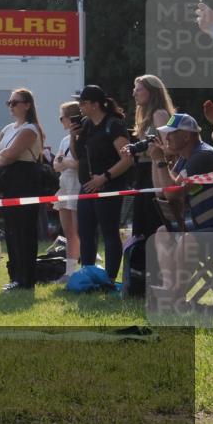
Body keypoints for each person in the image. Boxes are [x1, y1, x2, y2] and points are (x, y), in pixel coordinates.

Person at [150, 113, 213, 297]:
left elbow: (172, 193)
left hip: (211, 226)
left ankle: (175, 295)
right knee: (163, 233)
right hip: (203, 225)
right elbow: (161, 191)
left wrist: (161, 161)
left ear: (186, 136)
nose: (166, 138)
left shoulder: (203, 156)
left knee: (188, 240)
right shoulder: (185, 158)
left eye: (171, 133)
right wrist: (157, 160)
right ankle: (170, 288)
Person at [72, 85, 133, 280]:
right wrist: (73, 136)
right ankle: (88, 275)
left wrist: (104, 177)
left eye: (83, 103)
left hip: (108, 187)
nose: (80, 106)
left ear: (95, 105)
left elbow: (127, 159)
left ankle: (110, 279)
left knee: (109, 232)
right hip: (87, 187)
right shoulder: (86, 124)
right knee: (85, 232)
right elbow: (77, 155)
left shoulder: (113, 125)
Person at [0, 89, 45, 291]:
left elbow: (10, 155)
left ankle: (26, 279)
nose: (11, 106)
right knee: (11, 231)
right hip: (8, 182)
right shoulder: (7, 128)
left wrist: (2, 157)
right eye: (9, 103)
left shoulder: (31, 129)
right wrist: (1, 157)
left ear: (27, 105)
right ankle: (15, 277)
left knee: (24, 231)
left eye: (15, 102)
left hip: (25, 181)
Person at [124, 76, 175, 247]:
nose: (134, 94)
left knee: (151, 224)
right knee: (141, 227)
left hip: (155, 173)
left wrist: (149, 151)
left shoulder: (159, 114)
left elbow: (170, 148)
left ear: (152, 92)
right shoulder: (145, 117)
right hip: (143, 173)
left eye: (138, 89)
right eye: (134, 89)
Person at [53, 101, 83, 281]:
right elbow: (56, 164)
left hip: (77, 186)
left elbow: (80, 164)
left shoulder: (83, 137)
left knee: (79, 231)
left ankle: (85, 268)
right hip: (64, 186)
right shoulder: (65, 140)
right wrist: (64, 163)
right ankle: (69, 271)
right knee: (68, 232)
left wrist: (64, 163)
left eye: (61, 117)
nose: (60, 121)